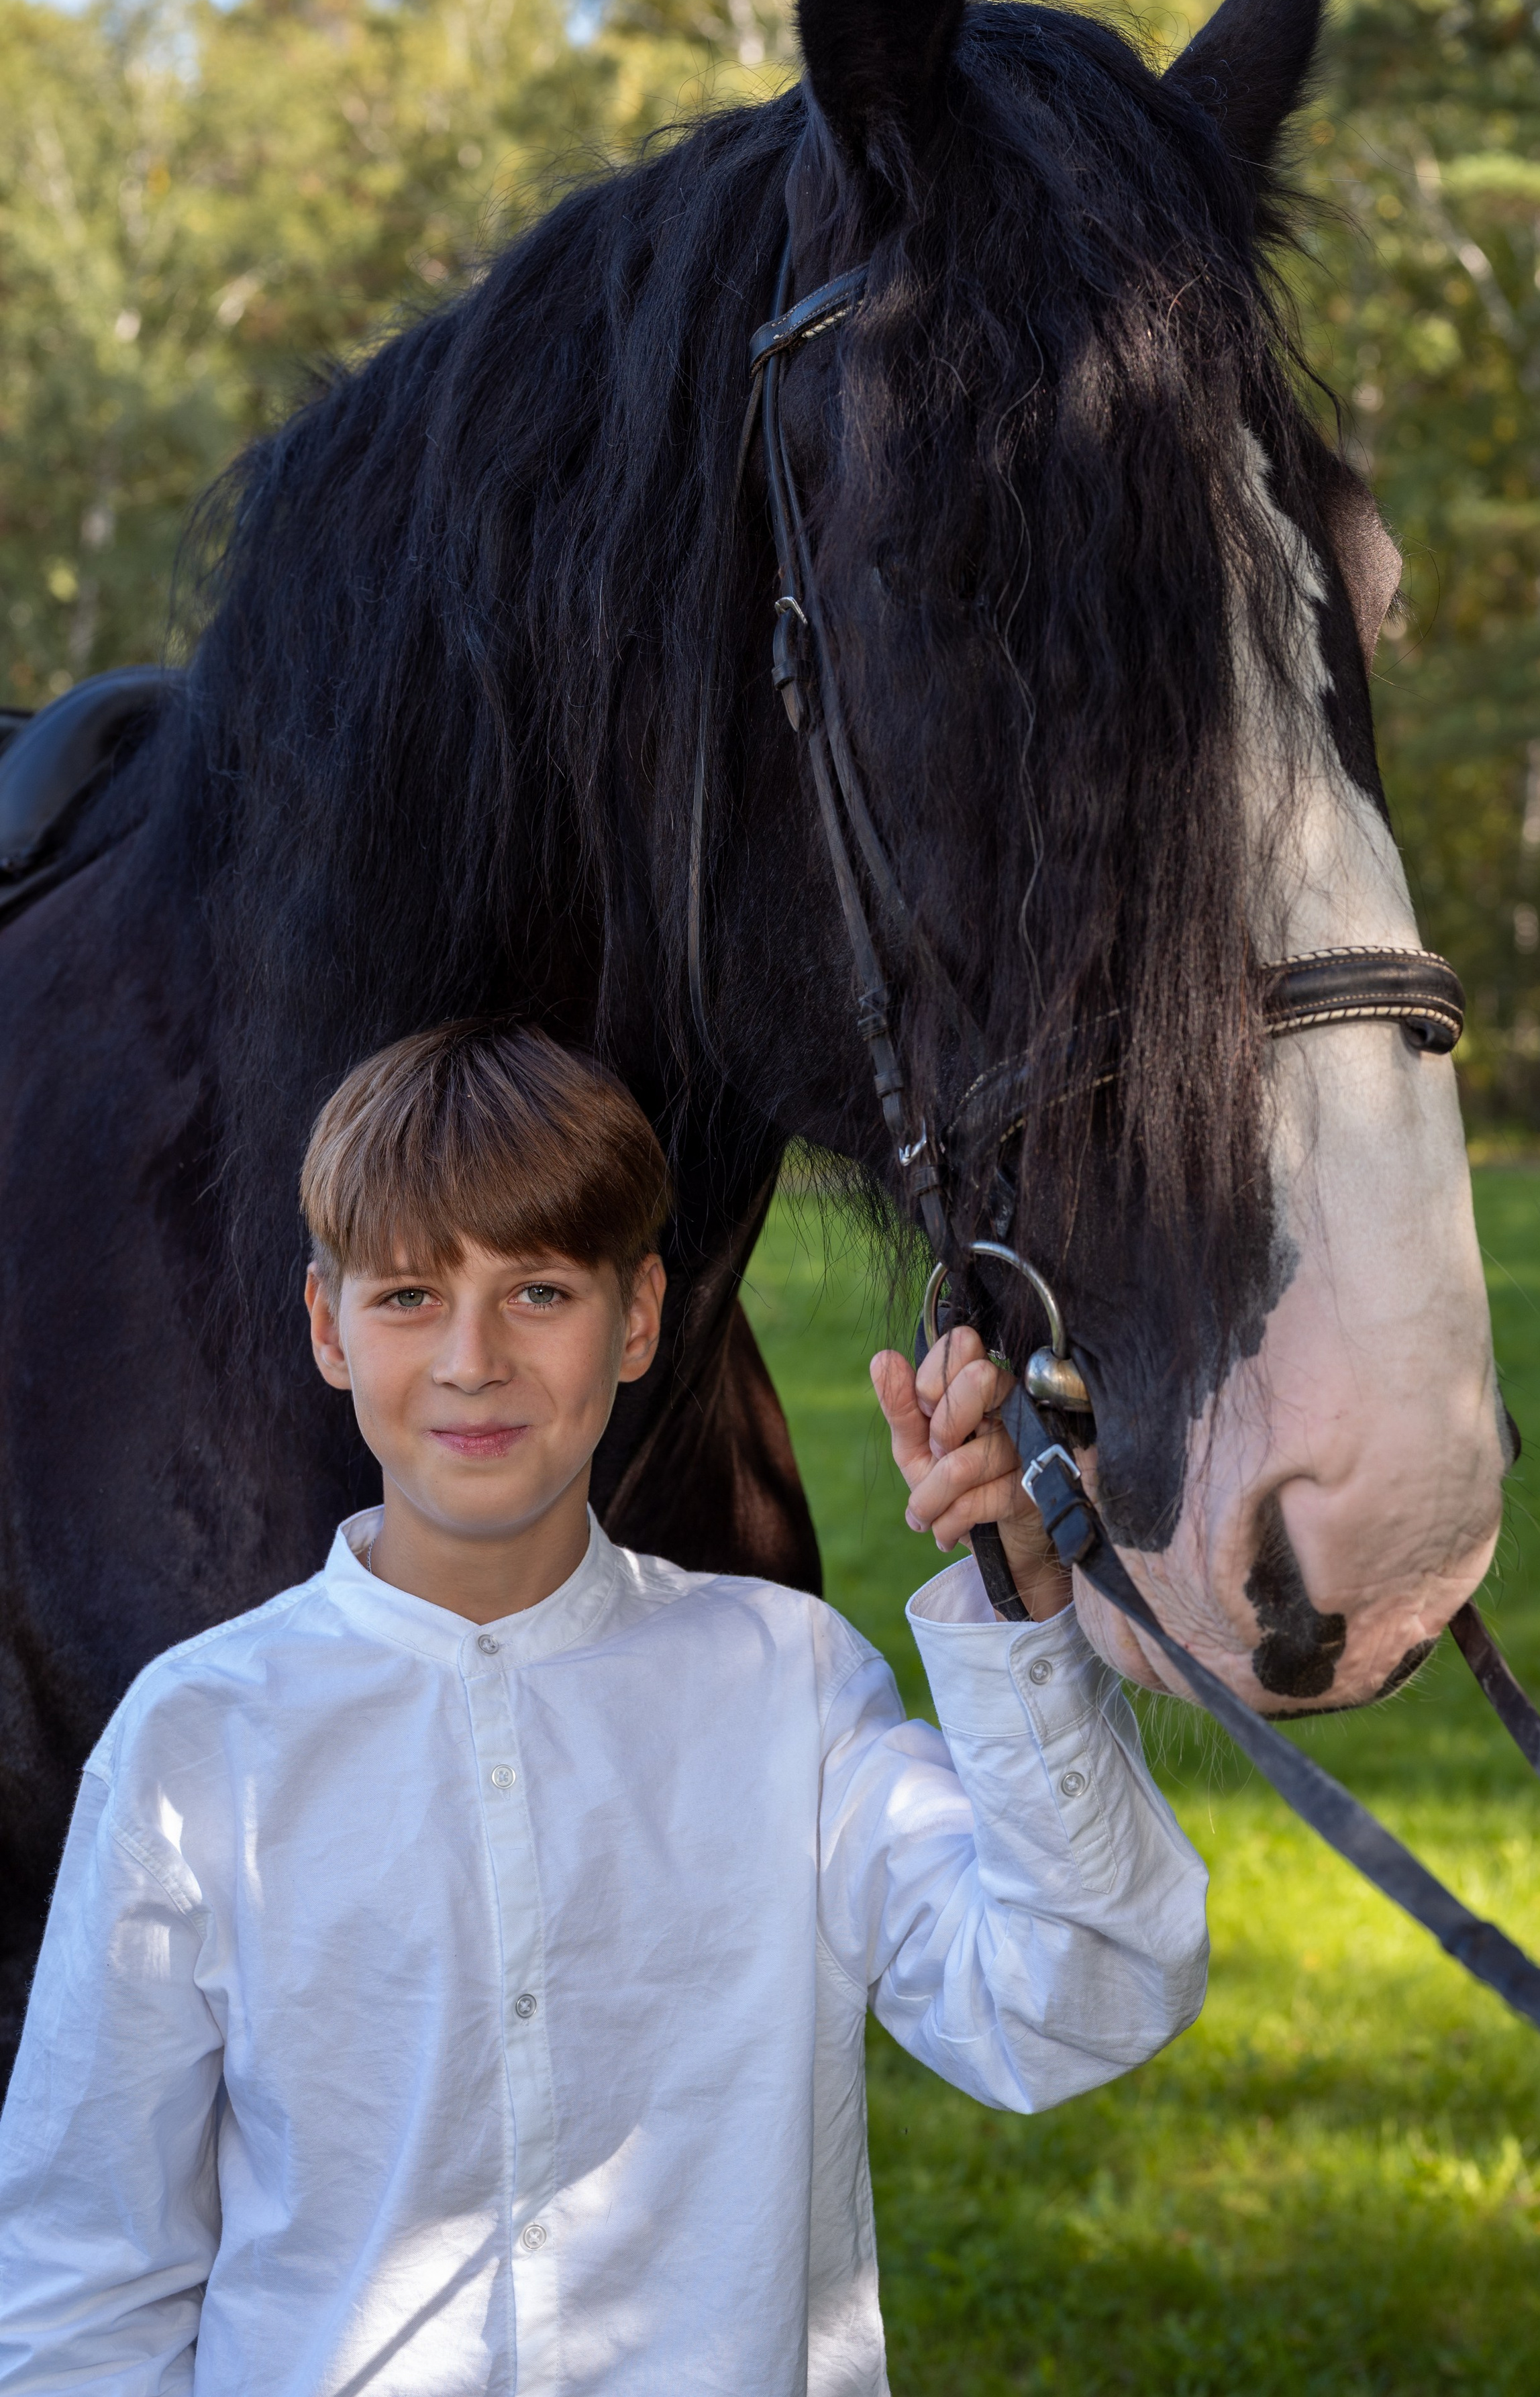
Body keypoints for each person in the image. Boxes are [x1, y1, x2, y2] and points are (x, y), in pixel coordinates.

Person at [0, 1020, 1208, 2396]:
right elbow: (86, 2285)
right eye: (406, 1296)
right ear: (327, 1327)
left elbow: (1081, 2000)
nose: (471, 1359)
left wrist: (1025, 1604)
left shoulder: (787, 1689)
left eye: (536, 1293)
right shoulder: (196, 1743)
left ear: (636, 1316)